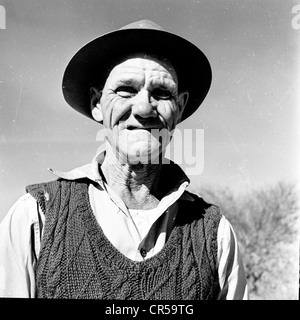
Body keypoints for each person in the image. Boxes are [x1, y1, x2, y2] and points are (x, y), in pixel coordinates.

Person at [0, 20, 248, 299]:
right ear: (97, 104)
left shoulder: (216, 235)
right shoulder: (36, 217)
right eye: (126, 90)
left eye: (162, 93)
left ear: (179, 108)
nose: (143, 108)